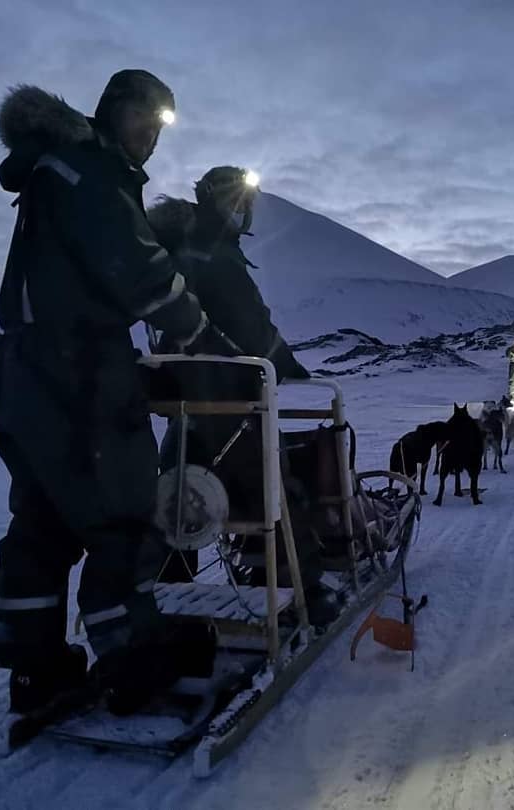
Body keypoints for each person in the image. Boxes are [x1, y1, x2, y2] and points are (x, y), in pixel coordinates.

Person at [0, 69, 212, 717]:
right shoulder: (91, 171)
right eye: (147, 118)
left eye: (162, 128)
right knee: (124, 511)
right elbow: (134, 268)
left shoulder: (55, 170)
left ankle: (34, 667)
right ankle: (133, 657)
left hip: (25, 366)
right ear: (115, 109)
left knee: (45, 517)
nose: (152, 137)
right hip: (77, 367)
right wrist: (193, 326)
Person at [145, 168, 339, 624]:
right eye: (235, 202)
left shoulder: (170, 248)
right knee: (274, 486)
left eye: (243, 204)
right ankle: (301, 589)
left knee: (177, 491)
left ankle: (167, 587)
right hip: (226, 391)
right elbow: (250, 320)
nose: (239, 211)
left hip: (183, 398)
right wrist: (285, 364)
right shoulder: (215, 253)